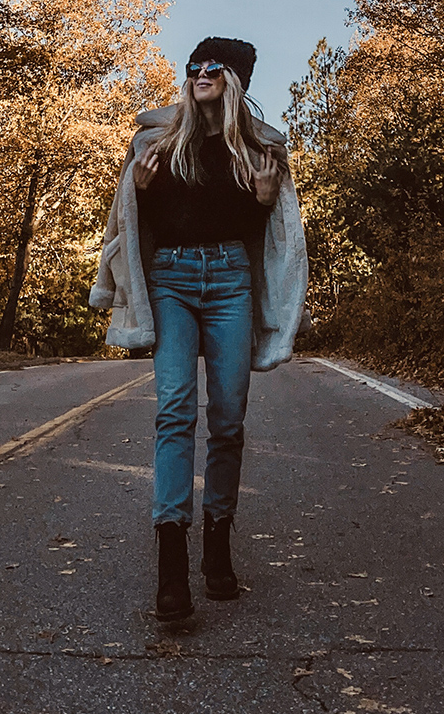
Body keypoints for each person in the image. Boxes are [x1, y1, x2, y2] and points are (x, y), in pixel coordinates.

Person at [90, 37, 308, 621]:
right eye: (194, 66)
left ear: (235, 81)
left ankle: (217, 547)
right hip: (172, 283)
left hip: (232, 281)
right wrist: (137, 190)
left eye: (214, 68)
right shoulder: (155, 144)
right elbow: (130, 224)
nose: (201, 74)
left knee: (229, 419)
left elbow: (279, 239)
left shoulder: (260, 152)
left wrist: (263, 200)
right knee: (175, 411)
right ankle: (170, 569)